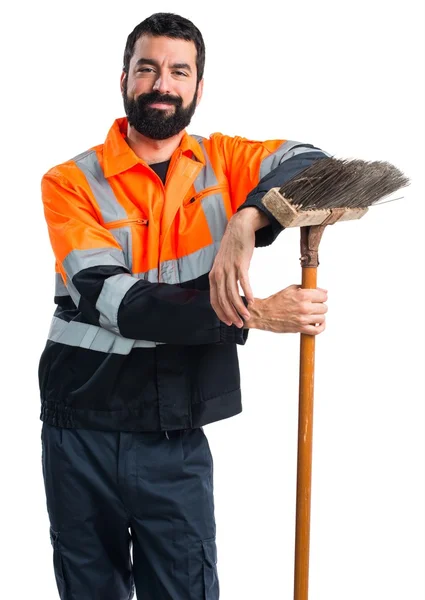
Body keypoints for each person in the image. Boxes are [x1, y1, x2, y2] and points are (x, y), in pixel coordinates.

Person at [39, 12, 329, 600]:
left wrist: (252, 216)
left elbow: (317, 164)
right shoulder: (71, 182)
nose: (162, 84)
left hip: (174, 435)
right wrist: (256, 314)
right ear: (124, 79)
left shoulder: (224, 164)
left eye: (179, 71)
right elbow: (116, 301)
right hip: (81, 428)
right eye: (147, 69)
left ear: (199, 87)